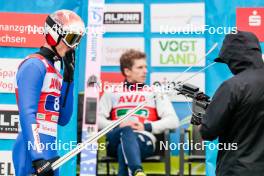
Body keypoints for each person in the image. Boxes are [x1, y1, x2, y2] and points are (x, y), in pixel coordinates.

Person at [12, 10, 85, 176]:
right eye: (71, 39)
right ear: (54, 34)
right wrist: (37, 157)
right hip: (30, 151)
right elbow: (27, 113)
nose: (73, 46)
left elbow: (63, 118)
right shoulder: (34, 65)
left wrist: (68, 79)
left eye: (77, 41)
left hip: (50, 149)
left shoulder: (56, 71)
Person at [98, 49, 179, 176]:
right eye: (140, 67)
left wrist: (145, 126)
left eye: (145, 67)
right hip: (114, 139)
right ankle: (137, 171)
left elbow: (173, 121)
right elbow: (96, 120)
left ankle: (137, 171)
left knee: (122, 148)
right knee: (126, 131)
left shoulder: (155, 92)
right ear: (127, 71)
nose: (145, 71)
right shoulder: (111, 92)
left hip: (143, 140)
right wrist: (118, 125)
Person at [200, 31, 264, 175]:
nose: (228, 65)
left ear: (234, 57)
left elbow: (208, 131)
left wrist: (203, 117)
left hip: (237, 169)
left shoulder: (232, 86)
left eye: (228, 60)